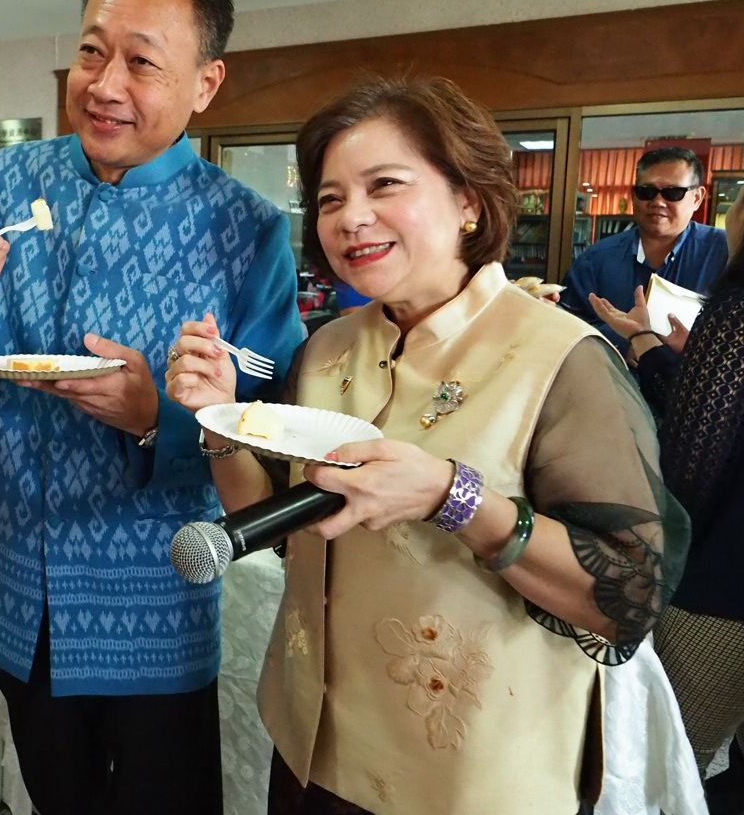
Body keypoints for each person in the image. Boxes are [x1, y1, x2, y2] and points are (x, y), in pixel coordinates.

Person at [167, 77, 688, 815]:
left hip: (468, 772)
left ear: (468, 200)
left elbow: (630, 596)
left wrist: (453, 497)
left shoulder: (559, 357)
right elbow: (281, 525)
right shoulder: (327, 351)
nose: (353, 217)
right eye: (329, 198)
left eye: (386, 185)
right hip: (316, 741)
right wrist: (218, 420)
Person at [0, 0, 306, 815]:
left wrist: (152, 416)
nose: (105, 82)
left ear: (206, 84)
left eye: (141, 60)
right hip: (13, 567)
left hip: (153, 594)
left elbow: (266, 408)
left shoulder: (246, 229)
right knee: (57, 792)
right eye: (92, 52)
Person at [591, 186, 744, 791]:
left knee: (673, 761)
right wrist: (656, 348)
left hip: (720, 590)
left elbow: (692, 464)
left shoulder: (733, 312)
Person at [560, 146, 728, 352]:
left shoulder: (728, 254)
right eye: (646, 192)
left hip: (698, 380)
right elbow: (568, 327)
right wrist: (625, 343)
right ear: (633, 196)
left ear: (697, 198)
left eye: (672, 193)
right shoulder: (595, 260)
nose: (658, 202)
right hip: (616, 379)